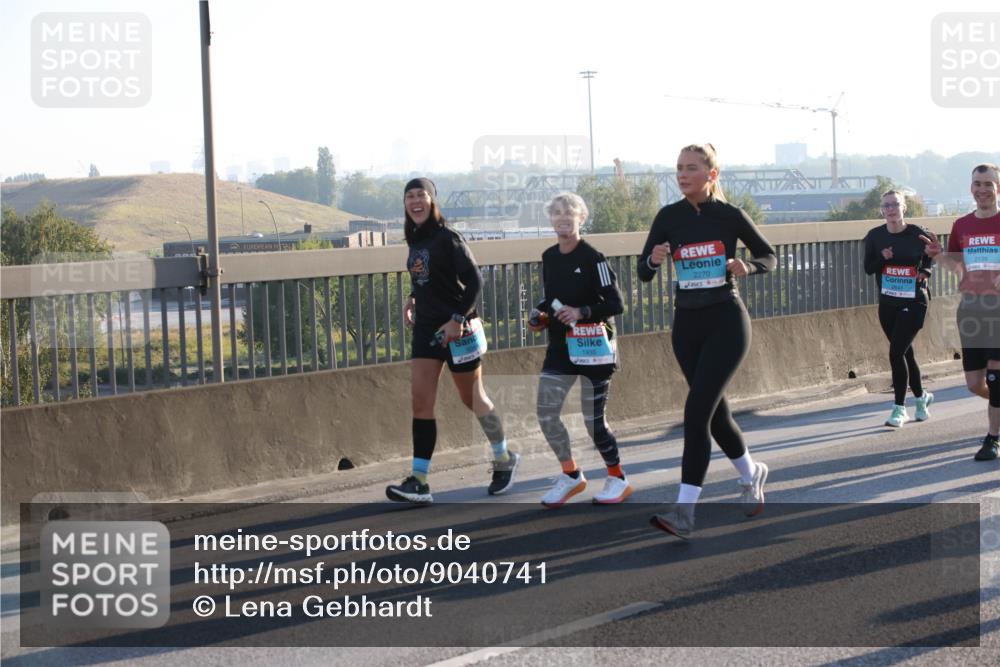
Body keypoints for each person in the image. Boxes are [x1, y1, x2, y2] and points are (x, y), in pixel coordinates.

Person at [638, 143, 777, 539]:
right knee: (715, 414)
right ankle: (752, 473)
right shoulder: (669, 217)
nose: (682, 175)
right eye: (678, 168)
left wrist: (746, 265)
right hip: (686, 324)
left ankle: (684, 511)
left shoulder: (729, 216)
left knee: (696, 413)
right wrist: (654, 259)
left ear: (711, 175)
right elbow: (643, 271)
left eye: (691, 168)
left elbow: (769, 256)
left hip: (727, 322)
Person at [385, 178, 519, 503]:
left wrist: (457, 319)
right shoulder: (414, 239)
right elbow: (427, 277)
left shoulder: (448, 237)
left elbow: (474, 279)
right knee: (421, 401)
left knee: (472, 398)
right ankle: (419, 480)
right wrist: (412, 297)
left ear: (433, 200)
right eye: (410, 197)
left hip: (458, 330)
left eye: (422, 195)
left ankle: (503, 457)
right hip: (427, 331)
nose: (415, 201)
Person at [528, 192, 631, 507]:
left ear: (581, 218)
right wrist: (540, 315)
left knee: (593, 422)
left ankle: (618, 478)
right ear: (550, 218)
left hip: (594, 348)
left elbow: (617, 303)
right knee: (546, 413)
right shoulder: (549, 256)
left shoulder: (593, 257)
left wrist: (580, 312)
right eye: (556, 212)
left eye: (569, 212)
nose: (562, 217)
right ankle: (571, 475)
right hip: (561, 347)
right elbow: (552, 297)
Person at [925, 163, 1000, 461]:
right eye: (977, 183)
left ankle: (992, 439)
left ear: (998, 188)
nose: (982, 189)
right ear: (971, 188)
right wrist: (939, 255)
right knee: (974, 384)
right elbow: (958, 268)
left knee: (996, 377)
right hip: (971, 308)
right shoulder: (962, 225)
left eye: (988, 184)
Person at [863, 189, 935, 427]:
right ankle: (921, 398)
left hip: (914, 301)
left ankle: (899, 408)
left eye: (895, 204)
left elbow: (931, 254)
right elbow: (868, 268)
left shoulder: (917, 233)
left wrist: (926, 270)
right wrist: (883, 257)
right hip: (888, 303)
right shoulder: (874, 236)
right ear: (881, 210)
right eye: (886, 206)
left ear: (904, 208)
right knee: (905, 352)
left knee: (895, 353)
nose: (891, 209)